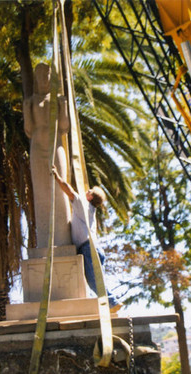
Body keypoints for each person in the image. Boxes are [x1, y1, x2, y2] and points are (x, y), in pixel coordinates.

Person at [52, 165, 122, 312]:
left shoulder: (83, 204)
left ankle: (112, 302)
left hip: (87, 247)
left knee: (93, 281)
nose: (86, 191)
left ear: (90, 197)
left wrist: (57, 176)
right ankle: (109, 303)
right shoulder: (91, 210)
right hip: (94, 248)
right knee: (98, 279)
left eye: (88, 191)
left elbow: (69, 191)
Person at [23, 63, 71, 248]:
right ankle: (44, 242)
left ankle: (63, 240)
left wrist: (63, 106)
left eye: (46, 75)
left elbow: (64, 127)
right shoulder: (32, 101)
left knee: (60, 190)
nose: (43, 79)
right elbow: (28, 130)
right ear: (36, 79)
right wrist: (26, 110)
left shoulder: (57, 99)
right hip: (37, 147)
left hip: (55, 146)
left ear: (51, 77)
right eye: (40, 75)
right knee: (41, 192)